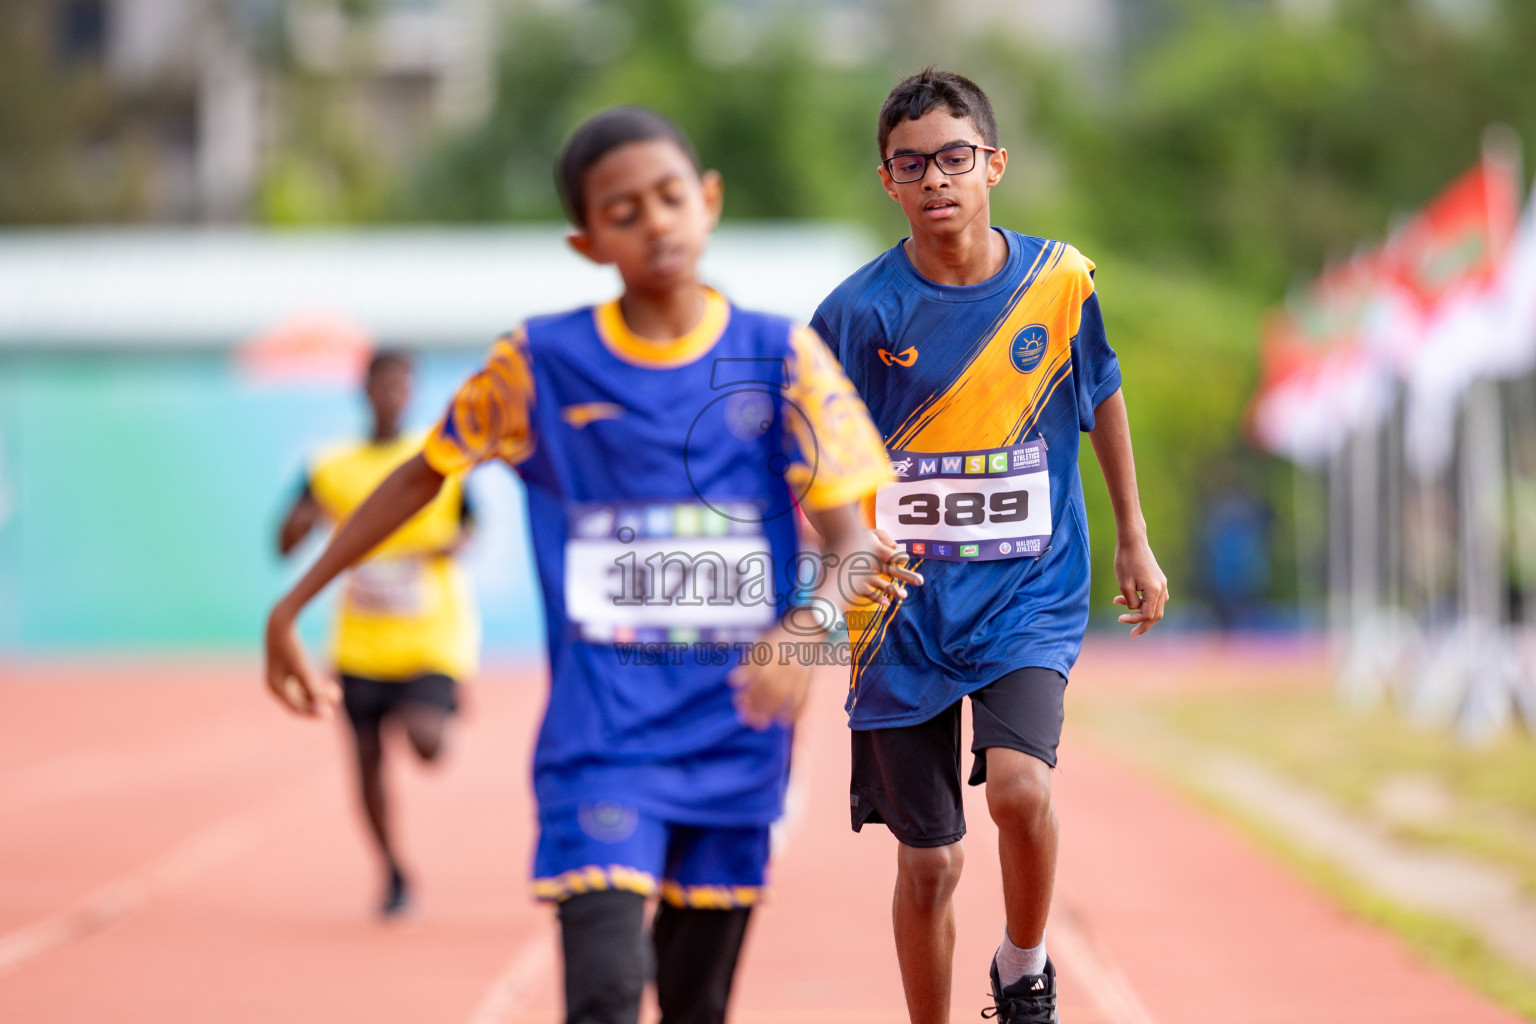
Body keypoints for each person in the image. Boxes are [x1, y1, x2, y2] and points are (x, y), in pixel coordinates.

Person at [264, 106, 910, 1024]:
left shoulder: (781, 357)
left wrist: (799, 639)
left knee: (696, 1005)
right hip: (601, 740)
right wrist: (292, 608)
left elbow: (853, 545)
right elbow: (417, 479)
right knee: (603, 994)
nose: (653, 222)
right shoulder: (539, 364)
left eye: (669, 197)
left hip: (736, 736)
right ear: (586, 239)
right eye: (622, 209)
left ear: (708, 202)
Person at [810, 69, 1170, 1023]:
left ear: (994, 165)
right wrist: (842, 548)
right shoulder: (854, 317)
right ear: (887, 180)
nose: (937, 180)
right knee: (928, 861)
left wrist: (1134, 538)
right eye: (911, 164)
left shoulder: (1057, 282)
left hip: (1029, 591)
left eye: (955, 158)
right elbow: (806, 449)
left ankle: (1024, 968)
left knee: (1017, 790)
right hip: (899, 612)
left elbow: (1100, 399)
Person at [275, 349, 479, 916]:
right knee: (366, 764)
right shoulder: (330, 465)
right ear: (364, 390)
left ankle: (448, 710)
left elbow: (471, 529)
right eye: (382, 383)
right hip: (360, 642)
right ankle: (391, 870)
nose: (392, 393)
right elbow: (285, 537)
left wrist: (443, 548)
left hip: (429, 638)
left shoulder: (437, 458)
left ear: (412, 391)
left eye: (402, 383)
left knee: (426, 743)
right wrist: (302, 523)